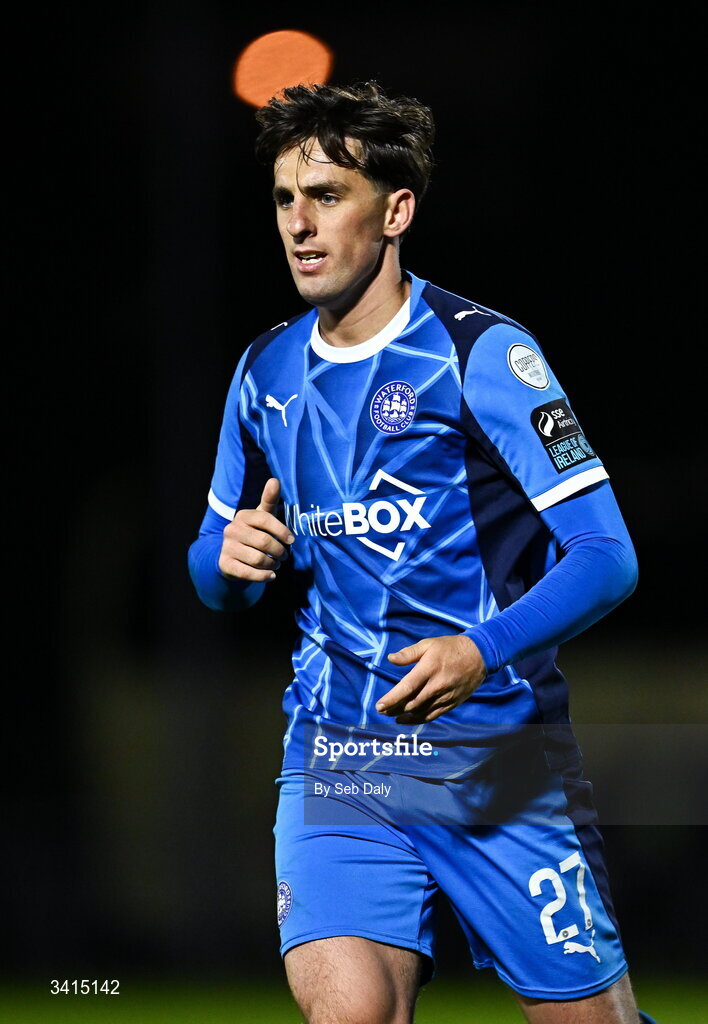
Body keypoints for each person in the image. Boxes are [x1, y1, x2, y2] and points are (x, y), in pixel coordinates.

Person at [188, 82, 658, 1024]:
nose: (299, 224)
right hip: (340, 761)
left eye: (327, 196)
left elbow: (607, 554)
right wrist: (228, 563)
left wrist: (481, 650)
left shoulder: (484, 355)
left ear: (396, 210)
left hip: (495, 762)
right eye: (284, 199)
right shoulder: (265, 370)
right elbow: (212, 564)